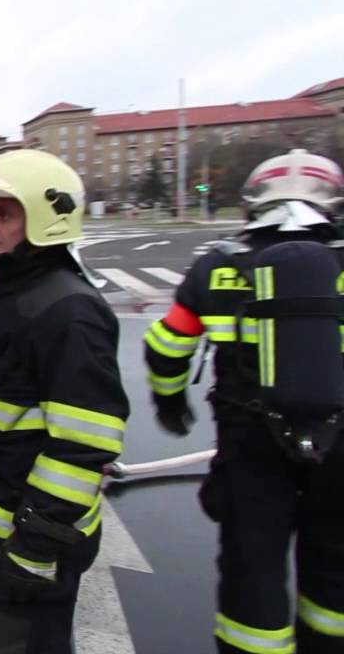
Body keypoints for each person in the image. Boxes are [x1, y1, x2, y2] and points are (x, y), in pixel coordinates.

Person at [144, 149, 344, 654]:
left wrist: (170, 404)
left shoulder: (217, 267)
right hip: (341, 447)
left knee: (252, 571)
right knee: (336, 568)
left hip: (251, 446)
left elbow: (166, 346)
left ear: (255, 203)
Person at [0, 149, 129, 653]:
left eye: (5, 214)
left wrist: (35, 545)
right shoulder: (19, 287)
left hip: (26, 541)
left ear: (46, 218)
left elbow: (83, 447)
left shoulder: (68, 313)